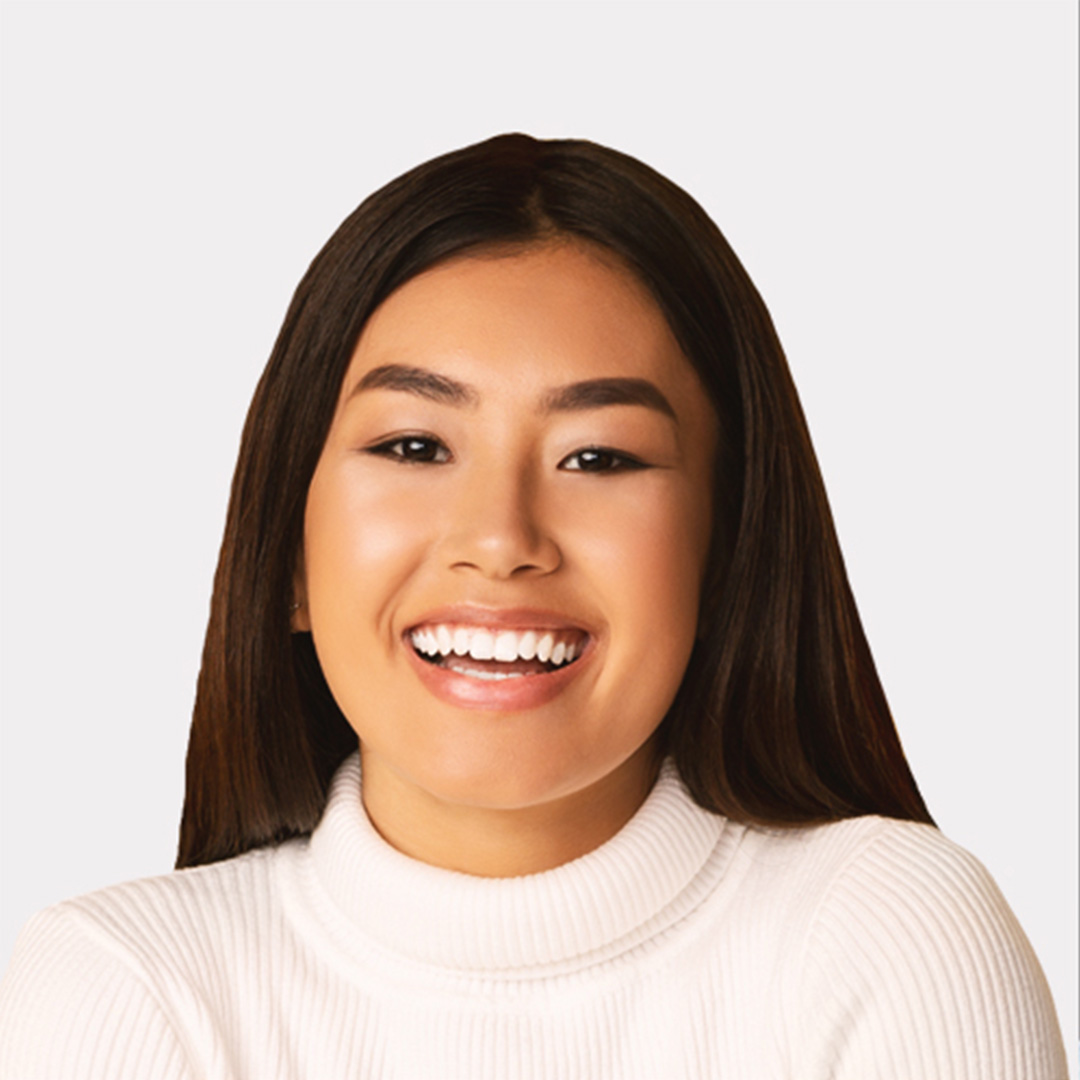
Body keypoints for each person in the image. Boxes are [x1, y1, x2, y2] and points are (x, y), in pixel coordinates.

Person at [0, 133, 1066, 1079]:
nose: (501, 539)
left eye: (598, 457)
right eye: (413, 445)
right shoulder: (125, 988)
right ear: (287, 556)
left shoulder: (884, 935)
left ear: (727, 551)